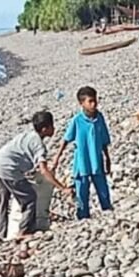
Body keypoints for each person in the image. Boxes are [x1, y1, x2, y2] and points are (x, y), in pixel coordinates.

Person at [0, 110, 72, 241]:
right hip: (9, 170)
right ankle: (23, 231)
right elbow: (45, 171)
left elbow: (20, 155)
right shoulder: (39, 145)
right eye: (52, 126)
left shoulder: (26, 135)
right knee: (29, 198)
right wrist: (63, 188)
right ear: (45, 129)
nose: (54, 129)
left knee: (2, 202)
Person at [52, 86, 113, 221]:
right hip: (82, 163)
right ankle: (82, 215)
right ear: (81, 103)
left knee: (103, 189)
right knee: (81, 192)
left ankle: (107, 210)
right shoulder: (77, 120)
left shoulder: (100, 118)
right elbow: (66, 140)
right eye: (90, 101)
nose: (94, 104)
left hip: (97, 162)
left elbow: (104, 141)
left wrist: (107, 159)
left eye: (95, 100)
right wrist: (57, 158)